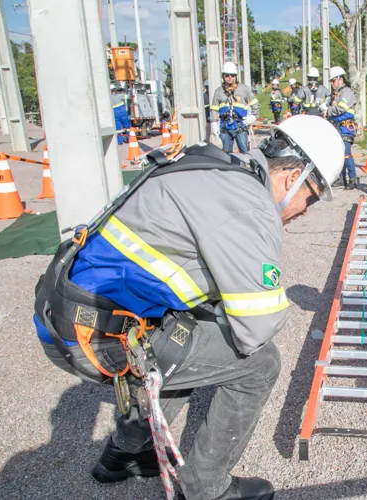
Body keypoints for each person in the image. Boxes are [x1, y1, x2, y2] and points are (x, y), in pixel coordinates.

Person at [33, 115, 345, 500]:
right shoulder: (250, 203)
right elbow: (256, 328)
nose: (304, 211)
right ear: (292, 175)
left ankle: (126, 454)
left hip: (67, 314)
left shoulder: (214, 167)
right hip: (96, 335)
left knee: (185, 341)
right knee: (260, 364)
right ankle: (206, 489)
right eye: (311, 198)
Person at [210, 62, 260, 153]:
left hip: (240, 126)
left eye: (232, 75)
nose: (230, 77)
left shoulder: (244, 89)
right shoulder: (218, 91)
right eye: (227, 75)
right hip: (225, 127)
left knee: (244, 153)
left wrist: (253, 117)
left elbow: (255, 104)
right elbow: (214, 108)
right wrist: (213, 123)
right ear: (223, 76)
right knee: (226, 155)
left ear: (236, 76)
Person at [324, 66, 358, 189]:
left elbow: (340, 109)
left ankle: (353, 179)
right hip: (337, 128)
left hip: (346, 128)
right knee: (338, 154)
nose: (332, 84)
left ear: (340, 79)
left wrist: (328, 110)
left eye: (333, 81)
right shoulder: (336, 94)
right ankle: (341, 178)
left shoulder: (346, 92)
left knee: (346, 153)